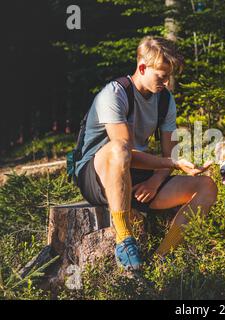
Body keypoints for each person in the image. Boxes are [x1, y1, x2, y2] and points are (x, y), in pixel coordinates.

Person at [74, 36, 217, 271]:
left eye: (169, 76)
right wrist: (173, 164)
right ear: (142, 67)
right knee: (120, 149)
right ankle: (124, 239)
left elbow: (168, 153)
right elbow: (126, 151)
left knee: (207, 186)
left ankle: (163, 257)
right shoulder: (115, 94)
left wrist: (156, 180)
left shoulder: (165, 100)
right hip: (97, 174)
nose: (166, 82)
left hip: (136, 174)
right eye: (161, 76)